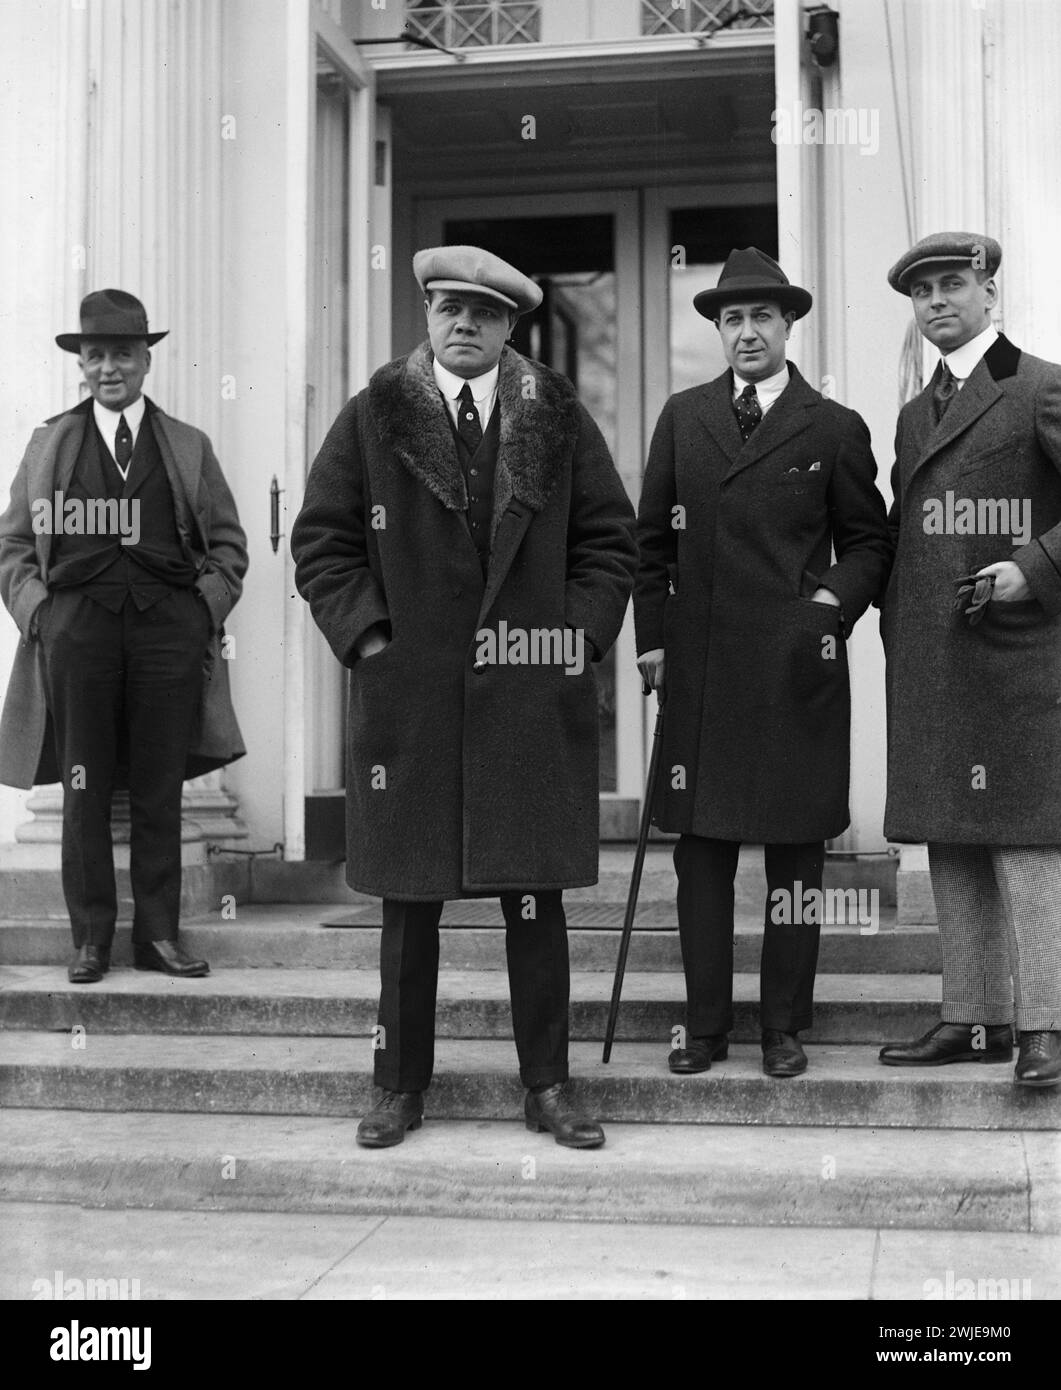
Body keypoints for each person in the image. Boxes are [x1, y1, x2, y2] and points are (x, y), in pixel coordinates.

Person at [291, 245, 637, 1148]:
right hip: (410, 701)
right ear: (428, 315)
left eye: (483, 313)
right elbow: (322, 540)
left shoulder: (555, 418)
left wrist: (578, 639)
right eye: (449, 308)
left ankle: (549, 1087)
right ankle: (398, 1087)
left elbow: (609, 542)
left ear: (509, 326)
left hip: (528, 697)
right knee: (409, 911)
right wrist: (370, 640)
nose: (463, 324)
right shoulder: (374, 414)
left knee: (535, 903)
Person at [635, 247, 892, 1079]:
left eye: (761, 318)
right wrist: (652, 641)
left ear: (788, 326)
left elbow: (869, 542)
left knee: (794, 852)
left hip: (793, 669)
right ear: (717, 329)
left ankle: (782, 1024)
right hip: (700, 671)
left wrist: (826, 607)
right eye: (731, 319)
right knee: (700, 854)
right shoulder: (682, 417)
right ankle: (704, 1026)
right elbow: (647, 545)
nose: (745, 332)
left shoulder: (832, 425)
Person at [0, 288, 247, 983]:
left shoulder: (188, 446)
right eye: (96, 355)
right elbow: (14, 543)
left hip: (167, 632)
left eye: (123, 354)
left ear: (145, 361)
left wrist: (203, 609)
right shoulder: (50, 443)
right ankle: (90, 940)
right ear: (82, 363)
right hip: (77, 634)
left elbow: (227, 544)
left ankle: (159, 937)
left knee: (157, 788)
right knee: (83, 785)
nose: (109, 368)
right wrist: (39, 614)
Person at [878, 232, 1061, 1086]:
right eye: (923, 293)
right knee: (950, 838)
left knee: (1026, 840)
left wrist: (1033, 569)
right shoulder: (914, 412)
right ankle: (974, 1015)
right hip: (932, 657)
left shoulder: (1038, 386)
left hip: (1019, 658)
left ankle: (1044, 1026)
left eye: (953, 285)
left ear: (990, 292)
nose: (937, 302)